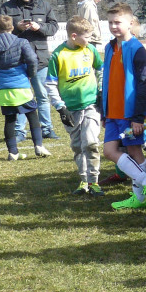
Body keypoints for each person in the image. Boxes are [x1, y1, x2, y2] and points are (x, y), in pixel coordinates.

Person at [101, 3, 146, 212]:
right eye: (110, 22)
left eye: (118, 22)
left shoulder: (137, 49)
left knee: (134, 150)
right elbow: (106, 81)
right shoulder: (109, 47)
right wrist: (104, 110)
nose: (114, 26)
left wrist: (138, 117)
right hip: (112, 113)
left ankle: (138, 197)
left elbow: (143, 85)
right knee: (109, 151)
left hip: (130, 114)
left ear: (130, 22)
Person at [46, 15, 103, 194]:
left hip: (91, 105)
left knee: (91, 142)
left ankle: (95, 181)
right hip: (70, 109)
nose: (90, 40)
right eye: (86, 37)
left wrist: (101, 92)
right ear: (73, 36)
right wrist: (60, 107)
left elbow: (101, 71)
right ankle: (84, 181)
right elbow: (50, 84)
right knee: (78, 146)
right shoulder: (58, 55)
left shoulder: (90, 50)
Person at [0, 0, 59, 139]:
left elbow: (53, 27)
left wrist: (39, 28)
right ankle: (19, 131)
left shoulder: (44, 6)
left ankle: (47, 128)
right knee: (19, 98)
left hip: (39, 60)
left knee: (42, 96)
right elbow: (0, 28)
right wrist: (16, 28)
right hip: (16, 61)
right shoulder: (7, 7)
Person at [0, 14, 50, 160]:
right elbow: (32, 59)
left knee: (10, 120)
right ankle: (38, 145)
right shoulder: (21, 41)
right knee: (32, 115)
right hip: (22, 86)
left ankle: (13, 152)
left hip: (4, 89)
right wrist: (29, 74)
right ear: (12, 27)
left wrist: (0, 80)